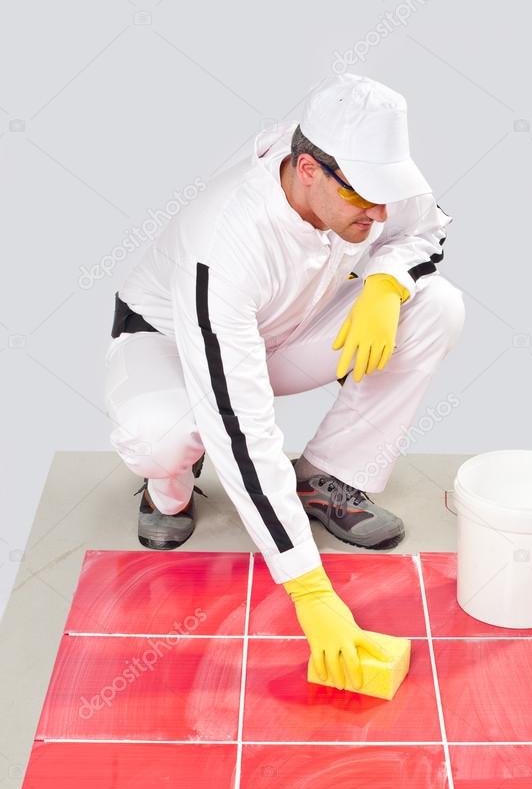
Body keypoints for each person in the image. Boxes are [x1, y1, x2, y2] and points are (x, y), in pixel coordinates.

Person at [104, 73, 466, 690]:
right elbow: (238, 422)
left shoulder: (368, 180)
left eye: (387, 195)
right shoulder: (224, 239)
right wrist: (309, 587)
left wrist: (386, 282)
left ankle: (329, 475)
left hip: (285, 331)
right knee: (160, 435)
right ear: (306, 169)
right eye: (365, 199)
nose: (380, 214)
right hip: (171, 344)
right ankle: (167, 490)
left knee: (436, 306)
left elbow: (425, 230)